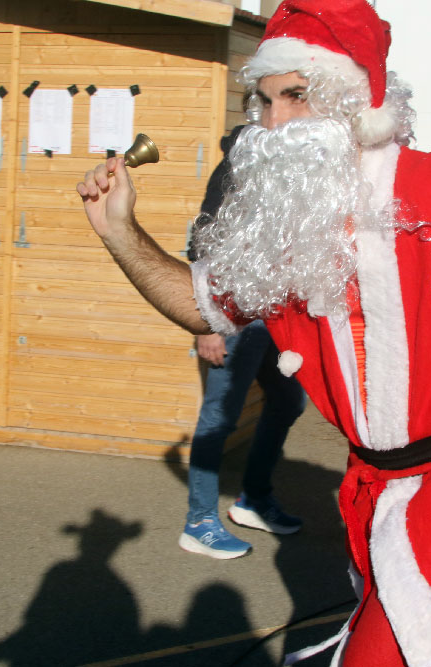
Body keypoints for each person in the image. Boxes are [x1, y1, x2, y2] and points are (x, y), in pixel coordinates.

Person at [77, 1, 431, 664]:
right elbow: (199, 305)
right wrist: (119, 231)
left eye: (298, 96)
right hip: (373, 491)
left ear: (355, 100)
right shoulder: (287, 229)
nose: (275, 120)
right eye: (265, 100)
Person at [180, 124, 306, 560]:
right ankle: (198, 522)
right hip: (231, 316)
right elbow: (200, 243)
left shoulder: (290, 170)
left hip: (273, 316)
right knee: (218, 418)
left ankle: (252, 499)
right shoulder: (237, 166)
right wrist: (205, 324)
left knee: (289, 401)